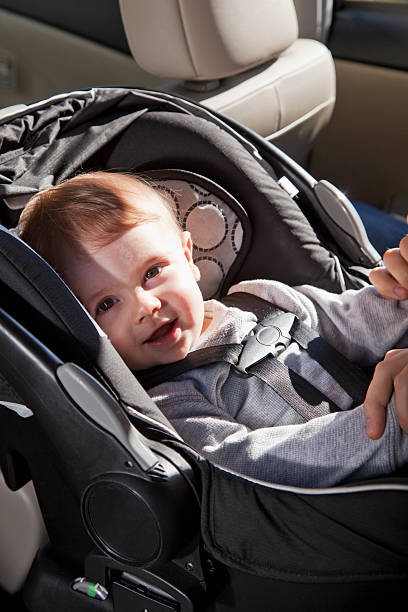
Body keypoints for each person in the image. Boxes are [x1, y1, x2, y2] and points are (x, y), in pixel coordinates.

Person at [17, 172, 408, 488]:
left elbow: (356, 322)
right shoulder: (170, 403)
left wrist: (400, 298)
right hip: (366, 484)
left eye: (152, 272)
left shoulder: (261, 299)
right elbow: (256, 460)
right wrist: (387, 429)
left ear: (188, 258)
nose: (145, 307)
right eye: (106, 304)